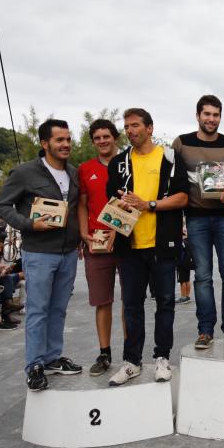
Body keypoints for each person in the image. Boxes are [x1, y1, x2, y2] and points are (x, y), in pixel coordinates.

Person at [0, 119, 82, 391]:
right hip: (39, 252)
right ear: (45, 144)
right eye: (59, 140)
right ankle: (34, 365)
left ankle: (53, 357)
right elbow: (0, 205)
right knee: (37, 311)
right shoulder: (24, 173)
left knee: (58, 309)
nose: (65, 144)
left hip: (69, 253)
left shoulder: (74, 173)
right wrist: (29, 224)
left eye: (68, 139)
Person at [105, 108, 189, 386]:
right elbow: (112, 203)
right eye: (126, 126)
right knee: (131, 305)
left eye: (135, 125)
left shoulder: (169, 158)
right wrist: (118, 213)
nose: (130, 130)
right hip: (130, 246)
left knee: (165, 303)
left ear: (150, 128)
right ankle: (132, 362)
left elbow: (182, 198)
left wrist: (148, 204)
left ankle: (162, 358)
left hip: (162, 244)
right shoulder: (118, 162)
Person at [173, 95, 224, 349]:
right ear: (198, 115)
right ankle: (205, 330)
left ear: (220, 117)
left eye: (216, 115)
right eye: (206, 114)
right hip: (196, 219)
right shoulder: (181, 144)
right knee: (203, 277)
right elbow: (173, 182)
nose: (211, 119)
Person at [77, 118, 126, 376]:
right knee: (102, 300)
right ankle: (104, 352)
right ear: (93, 141)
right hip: (98, 240)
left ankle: (131, 353)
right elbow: (82, 204)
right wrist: (84, 232)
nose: (102, 141)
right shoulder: (85, 169)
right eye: (97, 138)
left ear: (115, 137)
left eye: (106, 136)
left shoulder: (130, 163)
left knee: (130, 300)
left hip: (128, 240)